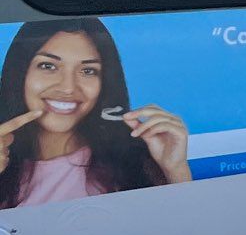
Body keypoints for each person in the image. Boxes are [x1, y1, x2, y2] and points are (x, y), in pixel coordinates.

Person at [0, 17, 189, 207]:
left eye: (88, 71)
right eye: (48, 66)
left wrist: (176, 170)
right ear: (20, 73)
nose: (68, 87)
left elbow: (186, 230)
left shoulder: (134, 162)